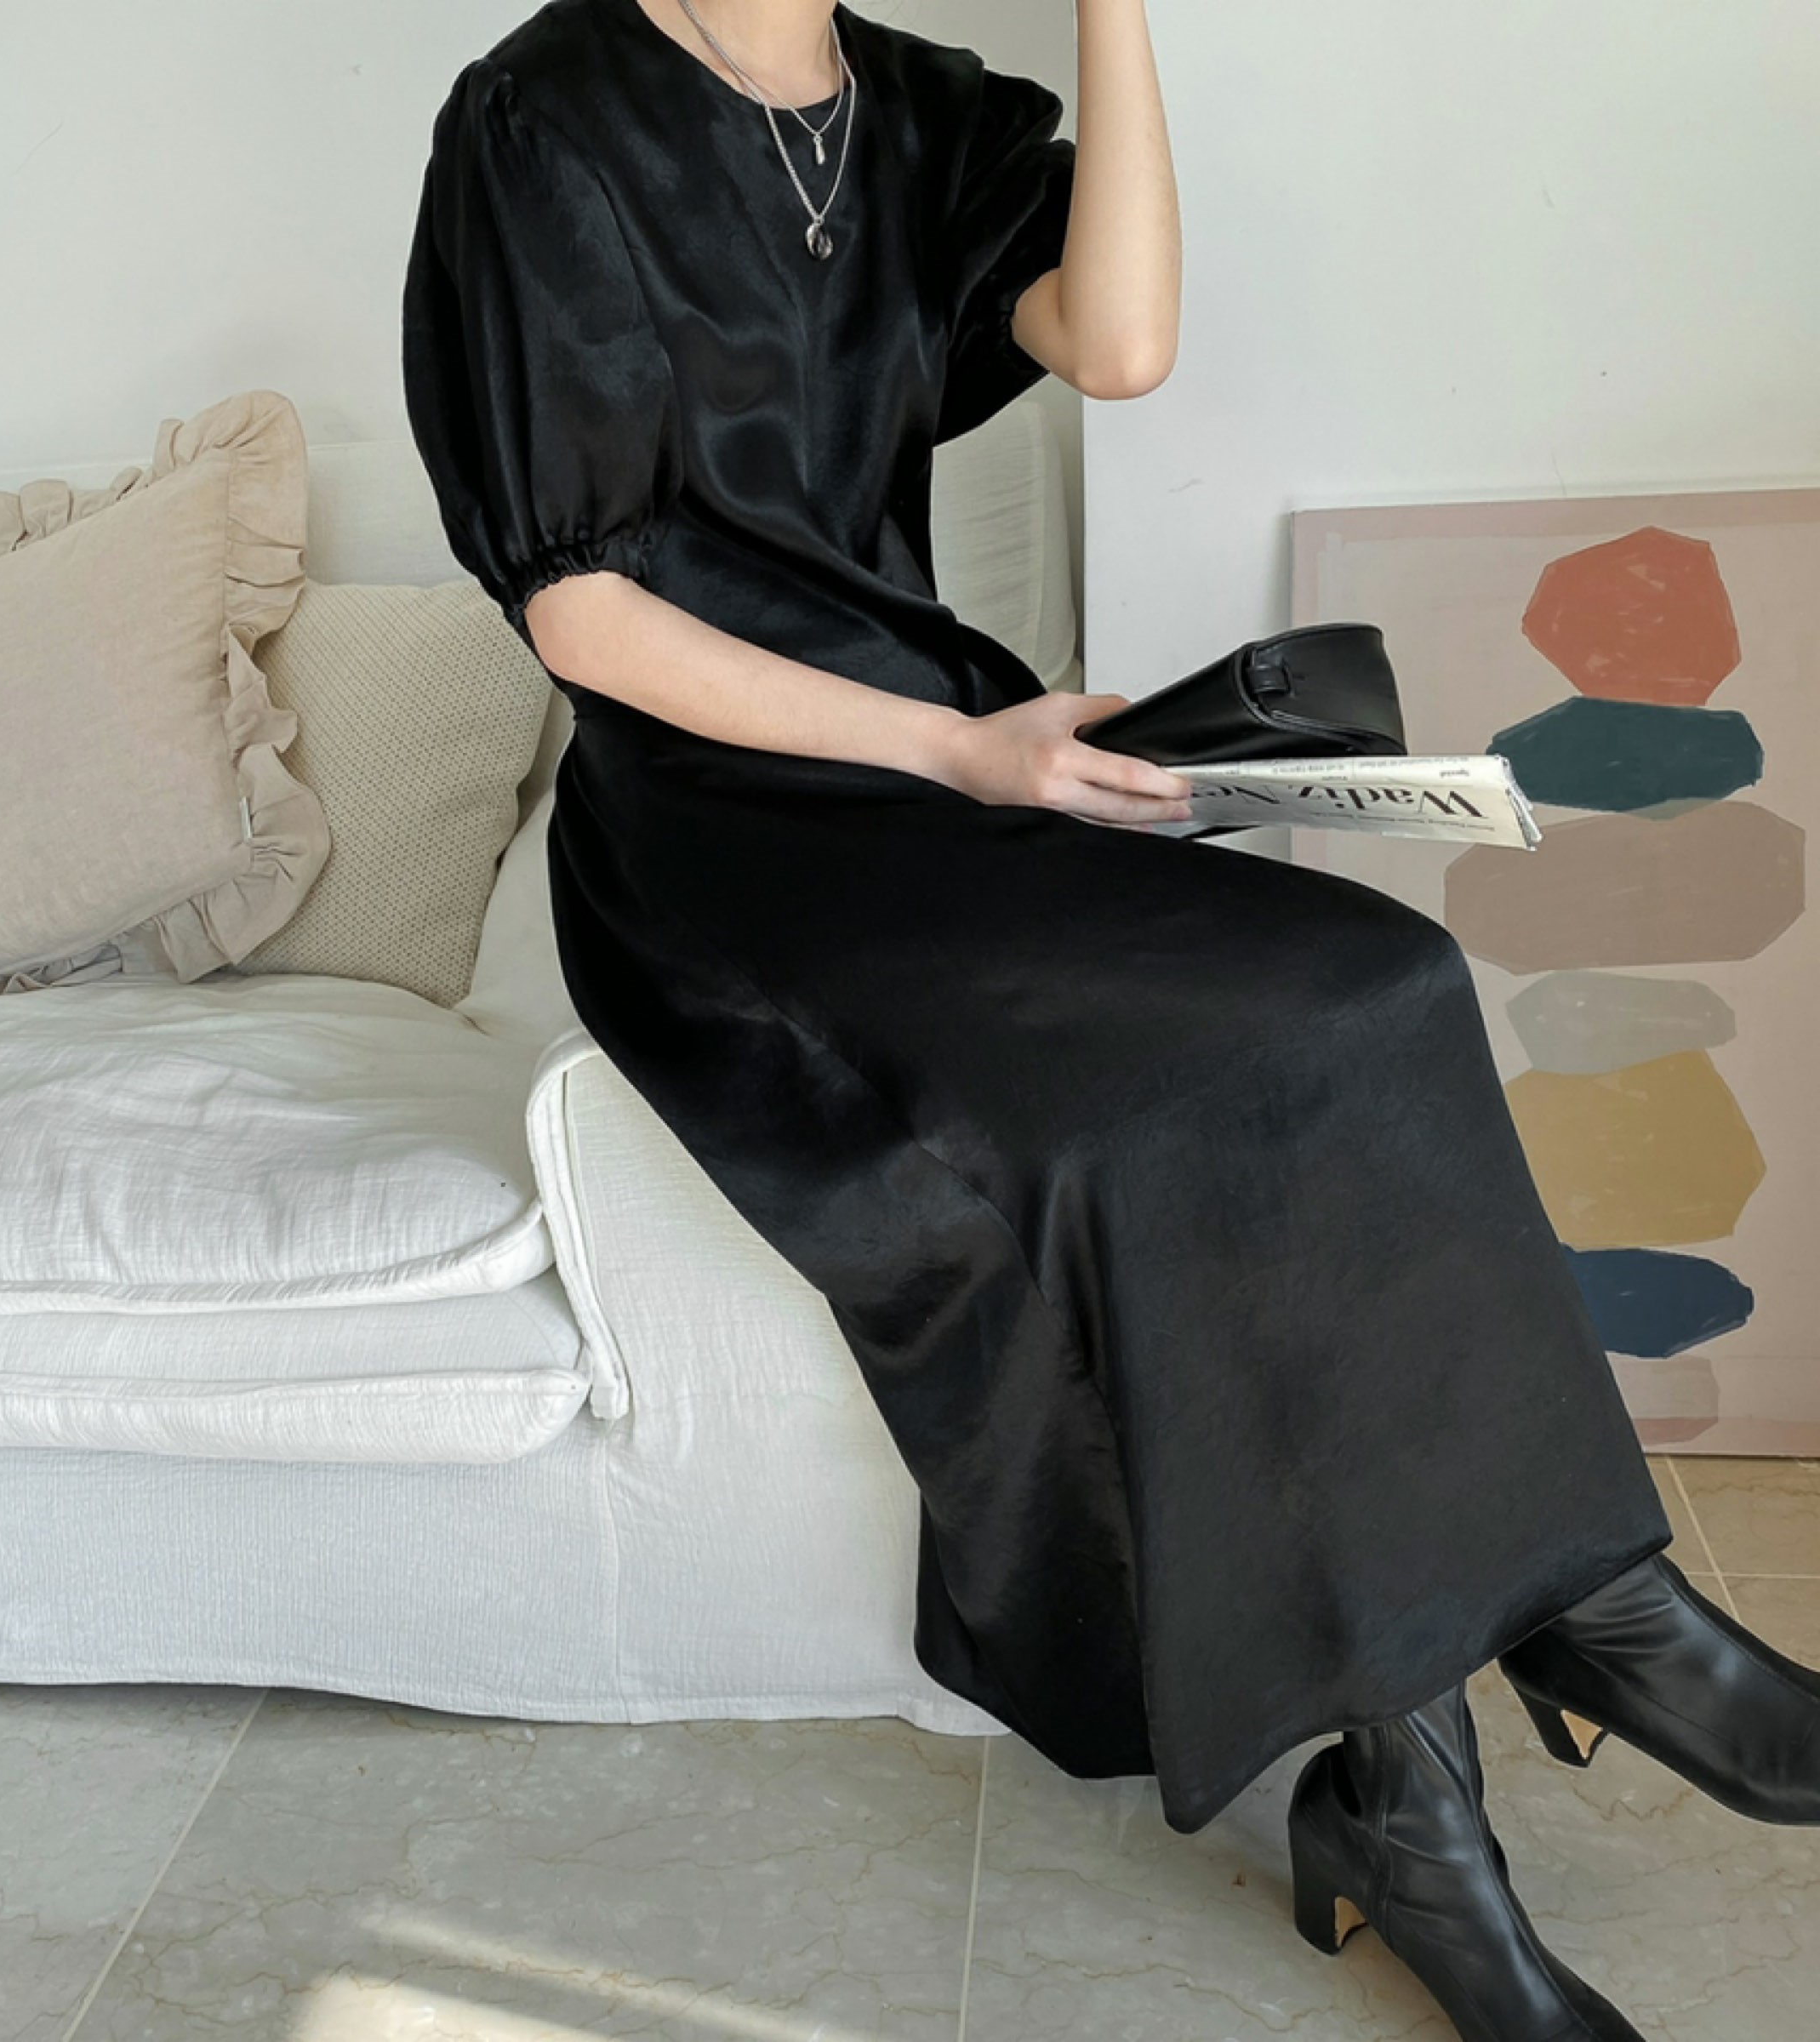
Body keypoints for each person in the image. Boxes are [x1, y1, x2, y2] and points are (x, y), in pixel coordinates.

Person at [401, 3, 1820, 2033]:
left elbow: (1121, 340)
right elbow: (583, 614)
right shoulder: (540, 120)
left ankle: (1479, 1741)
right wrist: (957, 754)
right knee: (1176, 1100)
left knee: (1377, 985)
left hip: (953, 757)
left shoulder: (911, 104)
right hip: (728, 835)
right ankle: (1553, 1680)